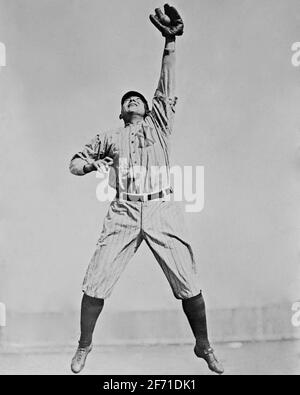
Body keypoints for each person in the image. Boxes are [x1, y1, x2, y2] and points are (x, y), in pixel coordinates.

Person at [69, 4, 224, 375]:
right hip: (123, 210)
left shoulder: (159, 126)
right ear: (121, 111)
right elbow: (74, 162)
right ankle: (83, 346)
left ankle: (203, 345)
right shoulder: (110, 136)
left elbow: (166, 85)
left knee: (189, 283)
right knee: (95, 281)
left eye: (138, 98)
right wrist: (89, 164)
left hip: (161, 208)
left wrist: (170, 42)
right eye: (127, 100)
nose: (133, 100)